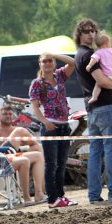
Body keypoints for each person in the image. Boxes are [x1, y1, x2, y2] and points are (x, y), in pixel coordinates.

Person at [73, 18, 112, 203]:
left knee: (95, 152)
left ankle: (94, 194)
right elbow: (102, 80)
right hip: (105, 105)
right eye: (86, 31)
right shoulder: (89, 55)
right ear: (79, 34)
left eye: (93, 30)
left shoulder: (79, 54)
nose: (91, 34)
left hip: (91, 108)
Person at [29, 52, 79, 209]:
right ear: (40, 64)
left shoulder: (60, 76)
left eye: (50, 60)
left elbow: (73, 62)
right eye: (44, 61)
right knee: (51, 164)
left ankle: (60, 196)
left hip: (64, 125)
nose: (47, 63)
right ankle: (52, 199)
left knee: (62, 163)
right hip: (50, 127)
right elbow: (35, 107)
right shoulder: (37, 83)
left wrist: (54, 54)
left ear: (54, 63)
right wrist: (45, 122)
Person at [0, 104, 46, 205]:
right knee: (20, 131)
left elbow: (33, 145)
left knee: (38, 152)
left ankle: (40, 193)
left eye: (10, 114)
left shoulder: (13, 129)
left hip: (12, 157)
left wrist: (26, 148)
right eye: (5, 114)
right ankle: (39, 192)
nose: (8, 116)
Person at [85, 32, 112, 104]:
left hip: (108, 75)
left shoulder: (99, 52)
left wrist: (89, 65)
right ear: (107, 43)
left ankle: (94, 97)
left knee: (99, 83)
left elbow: (94, 58)